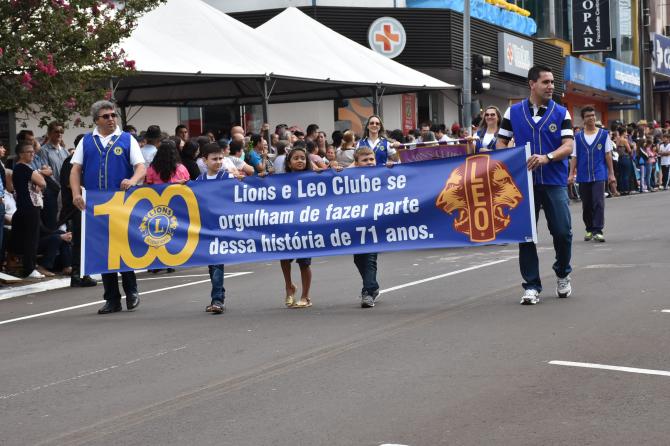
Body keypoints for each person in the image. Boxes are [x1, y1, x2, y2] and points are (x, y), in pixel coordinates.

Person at [497, 65, 575, 305]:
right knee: (526, 235)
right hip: (524, 184)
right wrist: (511, 160)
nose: (551, 86)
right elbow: (501, 143)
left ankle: (562, 273)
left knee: (562, 232)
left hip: (554, 181)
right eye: (546, 82)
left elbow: (568, 146)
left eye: (552, 82)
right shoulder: (513, 112)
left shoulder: (562, 113)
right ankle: (531, 285)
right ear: (532, 84)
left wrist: (547, 157)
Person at [70, 100, 146, 315]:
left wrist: (132, 180)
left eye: (113, 115)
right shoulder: (86, 141)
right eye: (106, 116)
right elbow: (75, 170)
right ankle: (112, 299)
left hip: (121, 202)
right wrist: (76, 193)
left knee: (123, 247)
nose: (111, 119)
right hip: (96, 205)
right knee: (103, 251)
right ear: (96, 120)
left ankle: (132, 291)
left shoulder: (127, 139)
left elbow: (141, 167)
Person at [568, 106, 616, 243]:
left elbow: (608, 155)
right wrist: (571, 174)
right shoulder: (578, 137)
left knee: (598, 202)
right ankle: (589, 229)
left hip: (599, 174)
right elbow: (574, 156)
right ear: (583, 119)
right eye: (588, 116)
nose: (592, 118)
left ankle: (598, 230)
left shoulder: (603, 134)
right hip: (583, 175)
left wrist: (611, 174)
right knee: (587, 205)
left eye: (593, 115)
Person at [196, 143, 230, 314]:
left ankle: (217, 299)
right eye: (214, 159)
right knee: (212, 264)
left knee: (216, 262)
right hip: (206, 227)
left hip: (221, 227)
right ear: (205, 160)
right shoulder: (199, 181)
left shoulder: (227, 177)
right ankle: (218, 295)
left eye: (220, 158)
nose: (218, 162)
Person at [59, 134, 97, 287]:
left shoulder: (86, 162)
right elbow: (71, 184)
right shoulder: (70, 162)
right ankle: (77, 274)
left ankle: (84, 273)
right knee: (79, 241)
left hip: (87, 207)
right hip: (75, 208)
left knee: (86, 241)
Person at [280, 146, 314, 308]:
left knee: (304, 262)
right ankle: (289, 286)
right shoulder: (280, 180)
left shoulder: (314, 178)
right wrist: (263, 177)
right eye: (296, 158)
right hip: (287, 225)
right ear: (289, 162)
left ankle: (305, 297)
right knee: (284, 257)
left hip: (305, 226)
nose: (300, 160)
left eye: (303, 158)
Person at [350, 147, 383, 308]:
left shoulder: (384, 174)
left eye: (371, 159)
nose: (369, 162)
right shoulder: (349, 177)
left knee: (370, 258)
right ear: (356, 163)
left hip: (374, 224)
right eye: (365, 160)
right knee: (358, 259)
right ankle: (373, 286)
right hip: (356, 225)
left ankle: (368, 292)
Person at [10, 140, 47, 278]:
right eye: (29, 152)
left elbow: (39, 183)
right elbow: (42, 182)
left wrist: (37, 182)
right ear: (21, 154)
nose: (33, 154)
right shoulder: (22, 167)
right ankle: (30, 269)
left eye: (33, 151)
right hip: (29, 206)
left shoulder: (22, 168)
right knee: (31, 238)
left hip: (27, 206)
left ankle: (30, 267)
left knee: (31, 237)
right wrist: (38, 180)